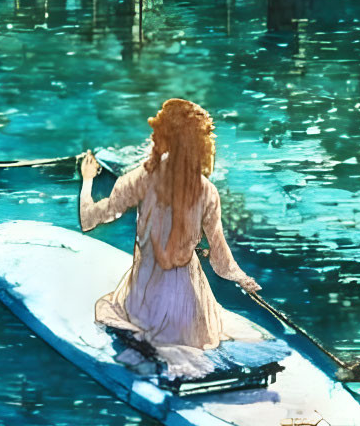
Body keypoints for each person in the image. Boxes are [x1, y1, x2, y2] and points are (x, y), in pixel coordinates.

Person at [79, 97, 265, 380]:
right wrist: (241, 278)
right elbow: (220, 255)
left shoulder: (141, 178)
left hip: (148, 298)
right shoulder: (207, 191)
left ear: (163, 138)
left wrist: (88, 178)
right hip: (193, 309)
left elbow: (89, 220)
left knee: (106, 309)